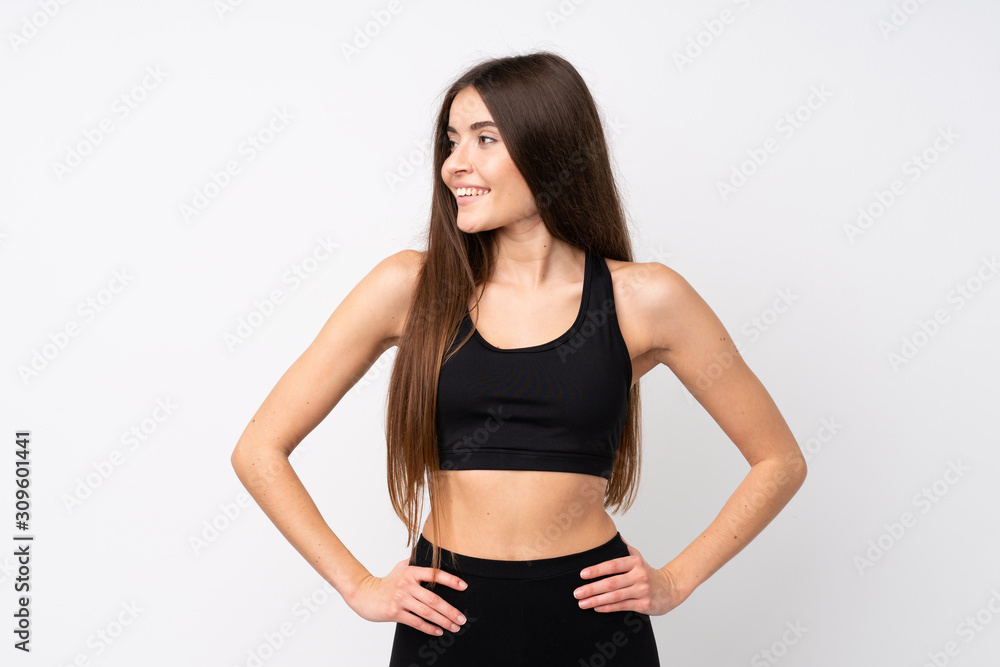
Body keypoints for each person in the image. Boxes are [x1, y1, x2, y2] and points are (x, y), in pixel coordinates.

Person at [231, 51, 807, 666]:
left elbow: (778, 460)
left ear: (549, 148)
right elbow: (258, 449)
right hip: (445, 616)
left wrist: (675, 580)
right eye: (452, 142)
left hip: (592, 619)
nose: (456, 164)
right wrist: (358, 586)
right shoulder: (409, 287)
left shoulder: (645, 298)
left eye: (485, 139)